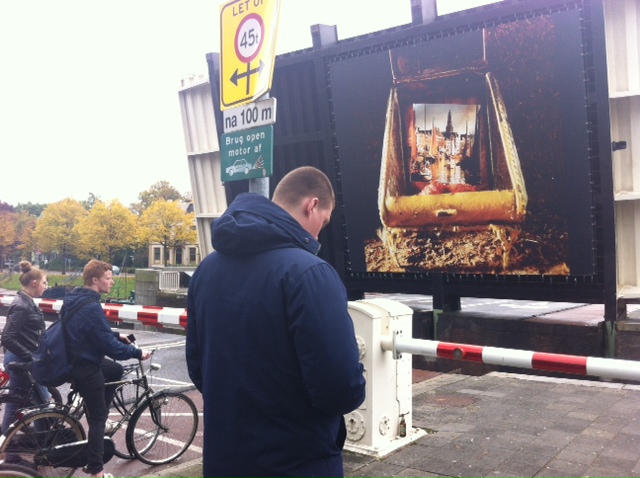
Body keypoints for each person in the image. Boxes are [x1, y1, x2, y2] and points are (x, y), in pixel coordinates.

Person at [186, 166, 366, 478]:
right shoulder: (310, 273)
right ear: (312, 206)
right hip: (298, 461)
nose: (318, 234)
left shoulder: (206, 271)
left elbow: (199, 367)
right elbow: (339, 387)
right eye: (322, 222)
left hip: (224, 460)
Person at [64, 259, 151, 478]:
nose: (112, 281)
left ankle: (101, 407)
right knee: (97, 418)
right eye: (108, 277)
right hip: (85, 366)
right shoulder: (92, 306)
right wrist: (138, 353)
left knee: (114, 370)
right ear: (95, 280)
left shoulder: (75, 299)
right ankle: (96, 471)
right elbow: (110, 348)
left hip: (74, 359)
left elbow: (91, 332)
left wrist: (115, 335)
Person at [1, 261, 50, 433]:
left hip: (23, 359)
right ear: (34, 283)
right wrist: (30, 356)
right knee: (19, 406)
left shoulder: (27, 301)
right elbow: (7, 337)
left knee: (40, 401)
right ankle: (9, 449)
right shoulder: (22, 306)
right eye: (44, 282)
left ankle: (39, 440)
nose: (46, 286)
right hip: (19, 361)